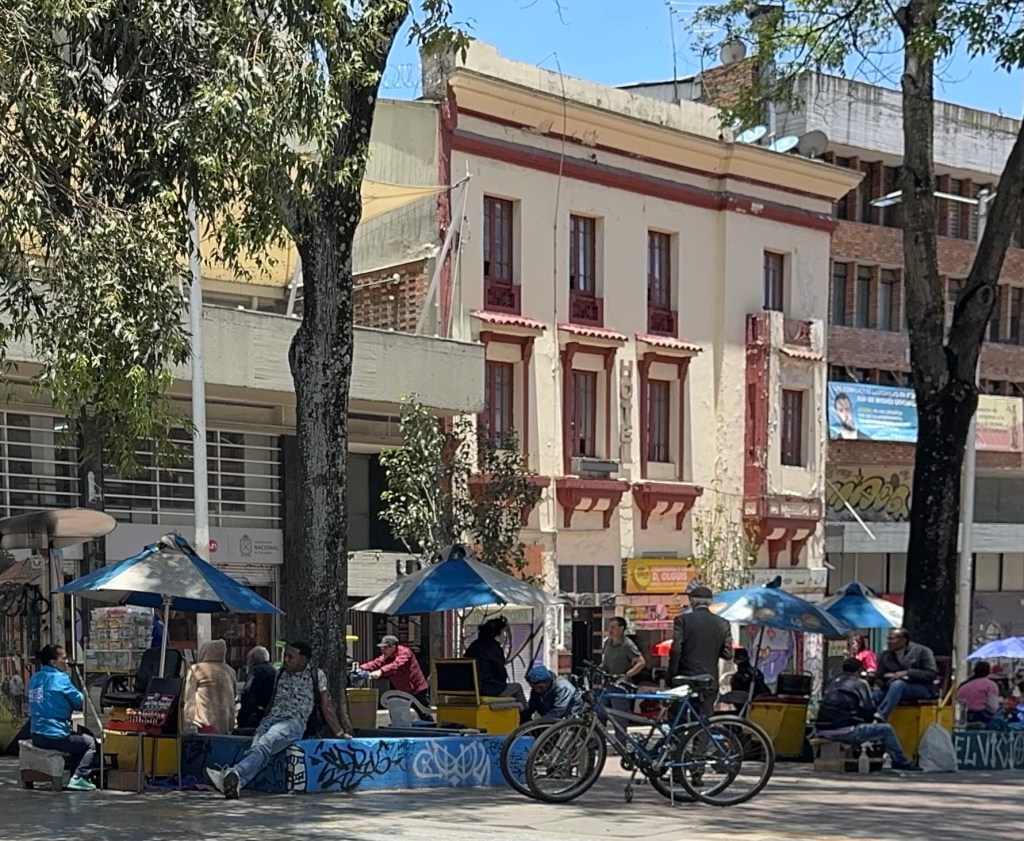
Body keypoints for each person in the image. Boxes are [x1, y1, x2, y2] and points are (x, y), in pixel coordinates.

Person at [205, 641, 351, 799]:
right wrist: (263, 722)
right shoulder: (280, 673)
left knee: (265, 744)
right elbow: (273, 700)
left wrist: (340, 732)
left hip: (292, 722)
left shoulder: (316, 675)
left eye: (290, 657)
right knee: (259, 750)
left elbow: (326, 705)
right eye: (284, 656)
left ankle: (233, 773)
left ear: (303, 659)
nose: (286, 660)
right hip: (270, 720)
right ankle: (236, 783)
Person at [815, 658, 919, 771]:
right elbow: (868, 709)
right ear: (859, 670)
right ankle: (902, 762)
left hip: (822, 730)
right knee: (886, 729)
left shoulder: (832, 681)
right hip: (845, 731)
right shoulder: (860, 683)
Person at [27, 644, 97, 791]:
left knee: (76, 740)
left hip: (36, 733)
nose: (67, 662)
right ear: (53, 662)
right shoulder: (61, 679)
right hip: (55, 735)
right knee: (90, 743)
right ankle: (79, 776)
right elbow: (79, 701)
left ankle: (73, 775)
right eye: (64, 659)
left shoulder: (34, 678)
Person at [668, 585, 734, 716]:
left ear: (692, 601)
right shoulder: (723, 623)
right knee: (705, 717)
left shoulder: (682, 620)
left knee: (678, 717)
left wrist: (671, 676)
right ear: (710, 602)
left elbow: (676, 651)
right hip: (709, 679)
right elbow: (728, 654)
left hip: (685, 678)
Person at [359, 634, 432, 719]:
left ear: (393, 646)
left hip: (417, 689)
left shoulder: (405, 652)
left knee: (424, 713)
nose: (382, 650)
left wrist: (381, 671)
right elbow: (376, 663)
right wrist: (360, 668)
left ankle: (430, 725)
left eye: (385, 648)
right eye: (382, 648)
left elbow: (396, 665)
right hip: (402, 691)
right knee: (397, 713)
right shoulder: (386, 656)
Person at [872, 628, 937, 722]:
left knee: (898, 684)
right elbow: (879, 676)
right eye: (888, 639)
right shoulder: (885, 655)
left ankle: (881, 715)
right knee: (875, 695)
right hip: (892, 688)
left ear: (903, 641)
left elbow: (931, 674)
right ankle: (866, 719)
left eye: (892, 639)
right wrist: (883, 682)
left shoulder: (922, 651)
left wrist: (908, 673)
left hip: (921, 688)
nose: (888, 642)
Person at [464, 616, 527, 711]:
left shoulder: (473, 646)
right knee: (517, 688)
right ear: (496, 635)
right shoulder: (494, 648)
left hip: (471, 689)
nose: (504, 637)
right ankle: (526, 716)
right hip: (488, 688)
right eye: (503, 633)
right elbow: (501, 673)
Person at [183, 639, 238, 735]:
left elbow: (188, 696)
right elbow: (235, 694)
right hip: (224, 723)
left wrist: (186, 720)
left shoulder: (196, 669)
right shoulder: (230, 671)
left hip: (203, 724)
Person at [600, 617, 646, 714]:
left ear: (621, 629)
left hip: (620, 686)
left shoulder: (627, 645)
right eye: (609, 627)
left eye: (613, 627)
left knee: (619, 715)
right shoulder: (608, 643)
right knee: (600, 712)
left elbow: (641, 662)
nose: (610, 630)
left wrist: (627, 675)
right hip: (607, 683)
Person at [237, 646, 277, 730]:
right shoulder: (274, 670)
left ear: (252, 659)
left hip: (255, 713)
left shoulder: (255, 671)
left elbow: (247, 693)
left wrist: (242, 717)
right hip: (270, 713)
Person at [721, 647, 770, 712]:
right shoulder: (757, 672)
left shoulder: (739, 676)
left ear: (735, 661)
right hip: (764, 705)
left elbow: (738, 697)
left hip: (747, 709)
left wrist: (721, 698)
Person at [956, 661, 1001, 726]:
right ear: (989, 671)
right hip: (982, 718)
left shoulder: (964, 685)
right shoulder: (990, 685)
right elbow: (993, 707)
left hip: (962, 717)